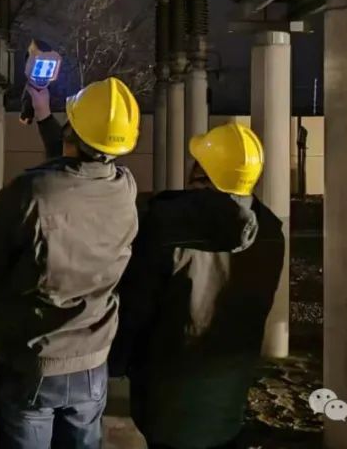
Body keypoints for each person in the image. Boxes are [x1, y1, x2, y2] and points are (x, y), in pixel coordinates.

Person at [0, 77, 142, 449]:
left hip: (33, 360)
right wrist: (45, 115)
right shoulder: (124, 188)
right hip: (93, 363)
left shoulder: (30, 191)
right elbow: (76, 173)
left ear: (71, 132)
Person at [110, 122, 286, 449]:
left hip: (165, 392)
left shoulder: (164, 225)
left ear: (202, 173)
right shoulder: (271, 232)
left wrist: (117, 361)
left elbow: (137, 307)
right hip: (229, 390)